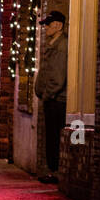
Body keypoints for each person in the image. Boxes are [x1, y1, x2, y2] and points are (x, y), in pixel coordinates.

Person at [34, 10, 68, 182]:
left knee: (54, 137)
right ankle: (52, 170)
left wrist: (47, 95)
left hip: (56, 101)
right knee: (51, 136)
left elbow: (58, 77)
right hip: (52, 99)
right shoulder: (53, 44)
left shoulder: (61, 47)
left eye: (48, 24)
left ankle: (54, 171)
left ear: (58, 25)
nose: (45, 27)